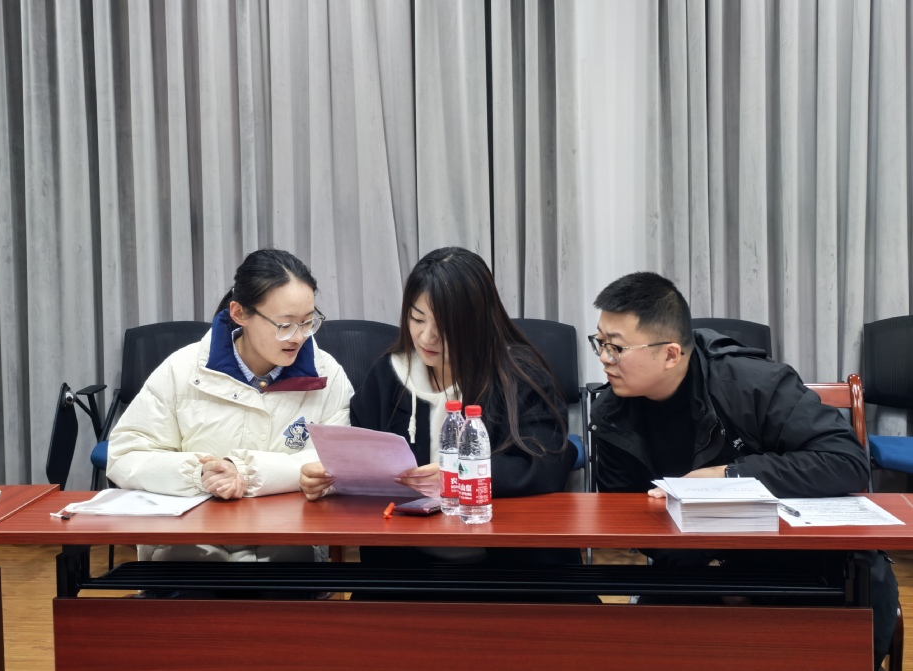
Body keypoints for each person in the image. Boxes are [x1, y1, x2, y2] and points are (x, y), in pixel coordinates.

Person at [589, 271, 897, 670]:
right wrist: (717, 573)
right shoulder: (611, 414)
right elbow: (626, 513)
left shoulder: (751, 383)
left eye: (616, 347)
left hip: (797, 560)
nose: (604, 359)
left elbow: (846, 461)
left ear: (670, 354)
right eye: (600, 343)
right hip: (690, 565)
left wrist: (727, 477)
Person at [300, 246, 580, 570]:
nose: (427, 337)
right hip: (407, 566)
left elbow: (548, 462)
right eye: (417, 319)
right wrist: (329, 480)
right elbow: (361, 461)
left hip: (509, 565)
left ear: (477, 322)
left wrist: (458, 477)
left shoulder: (517, 375)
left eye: (444, 326)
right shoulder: (389, 375)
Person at [107, 248, 353, 563]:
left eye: (308, 322)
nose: (299, 337)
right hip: (191, 541)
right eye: (285, 325)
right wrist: (197, 473)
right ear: (239, 313)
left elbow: (341, 460)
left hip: (289, 541)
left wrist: (247, 471)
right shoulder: (184, 369)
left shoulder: (326, 374)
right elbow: (126, 454)